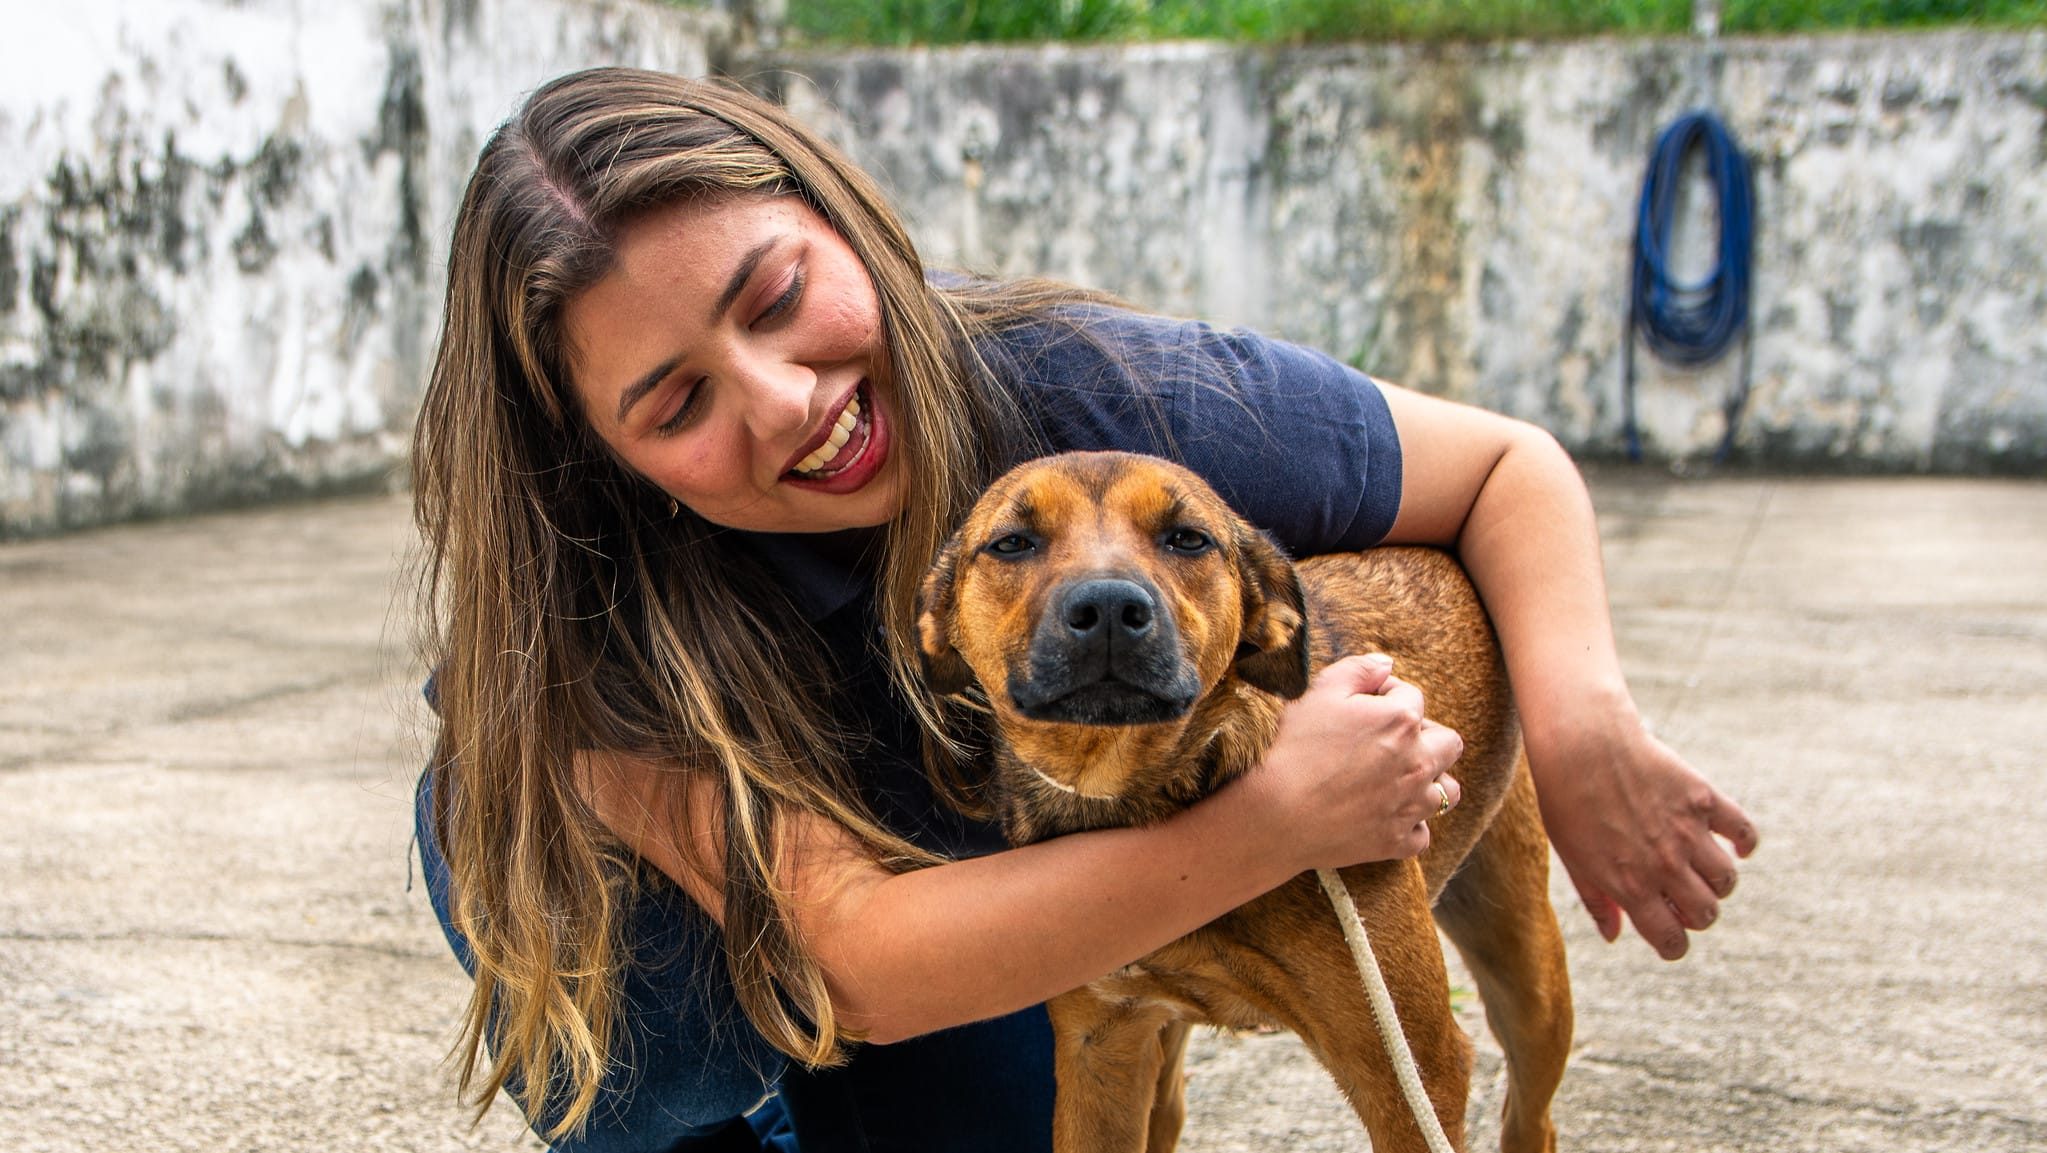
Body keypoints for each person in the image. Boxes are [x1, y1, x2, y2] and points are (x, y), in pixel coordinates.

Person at [410, 67, 1758, 1152]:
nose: (785, 400)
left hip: (951, 857)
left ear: (846, 218)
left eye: (774, 298)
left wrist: (1581, 726)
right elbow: (862, 960)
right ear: (607, 458)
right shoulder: (588, 597)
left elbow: (1506, 466)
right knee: (664, 1069)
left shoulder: (1103, 395)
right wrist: (1280, 816)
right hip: (714, 921)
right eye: (679, 402)